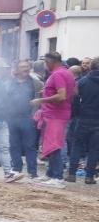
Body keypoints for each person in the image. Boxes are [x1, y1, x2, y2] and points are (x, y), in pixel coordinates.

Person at [32, 52, 76, 188]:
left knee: (54, 145)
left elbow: (62, 95)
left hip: (55, 115)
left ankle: (57, 177)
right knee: (53, 145)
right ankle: (50, 174)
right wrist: (47, 93)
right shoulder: (67, 72)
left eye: (46, 62)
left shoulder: (57, 74)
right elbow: (73, 92)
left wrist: (41, 99)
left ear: (51, 61)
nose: (45, 65)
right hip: (59, 113)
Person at [7, 59, 42, 180]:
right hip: (12, 118)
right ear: (17, 69)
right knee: (14, 145)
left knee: (30, 146)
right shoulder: (9, 83)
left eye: (27, 66)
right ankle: (16, 168)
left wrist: (34, 116)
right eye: (22, 67)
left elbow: (40, 100)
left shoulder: (36, 83)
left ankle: (33, 172)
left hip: (28, 118)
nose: (25, 68)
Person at [67, 55, 99, 184]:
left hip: (83, 118)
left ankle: (71, 175)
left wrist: (76, 114)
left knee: (77, 146)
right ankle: (89, 176)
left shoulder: (82, 81)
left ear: (91, 67)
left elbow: (74, 99)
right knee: (94, 148)